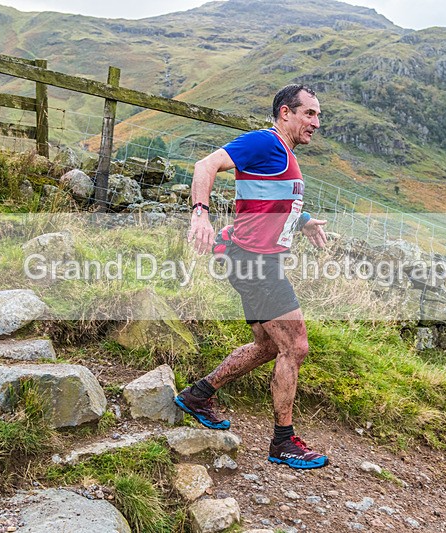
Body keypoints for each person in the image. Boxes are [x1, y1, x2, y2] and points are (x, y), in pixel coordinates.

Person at [175, 84, 330, 470]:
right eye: (309, 113)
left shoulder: (283, 154)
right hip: (256, 263)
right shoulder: (265, 142)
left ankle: (198, 395)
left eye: (318, 115)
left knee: (267, 345)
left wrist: (304, 221)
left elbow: (271, 201)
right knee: (295, 346)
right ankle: (283, 442)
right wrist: (200, 214)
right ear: (285, 113)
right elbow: (205, 165)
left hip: (255, 261)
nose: (316, 122)